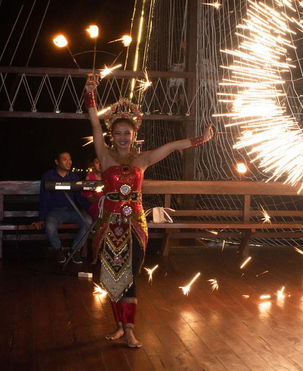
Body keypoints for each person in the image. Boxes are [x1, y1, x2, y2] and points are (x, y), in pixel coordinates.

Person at [84, 73, 213, 348]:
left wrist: (199, 139)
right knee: (110, 275)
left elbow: (170, 147)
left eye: (126, 134)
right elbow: (94, 122)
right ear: (112, 135)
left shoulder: (143, 159)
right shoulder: (105, 157)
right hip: (110, 225)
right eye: (117, 133)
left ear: (134, 135)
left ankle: (129, 329)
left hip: (134, 226)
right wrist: (90, 94)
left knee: (129, 274)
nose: (121, 138)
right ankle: (119, 326)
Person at [32, 151, 91, 264]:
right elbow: (44, 198)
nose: (69, 162)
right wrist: (41, 218)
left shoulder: (74, 176)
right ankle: (58, 249)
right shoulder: (48, 176)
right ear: (57, 162)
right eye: (65, 159)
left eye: (70, 159)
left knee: (88, 221)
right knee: (49, 225)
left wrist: (92, 210)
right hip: (55, 212)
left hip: (72, 210)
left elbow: (80, 197)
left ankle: (75, 249)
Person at [84, 156, 102, 222]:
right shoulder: (89, 177)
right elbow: (89, 197)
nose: (100, 164)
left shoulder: (109, 176)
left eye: (101, 162)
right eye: (97, 162)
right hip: (95, 206)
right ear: (93, 164)